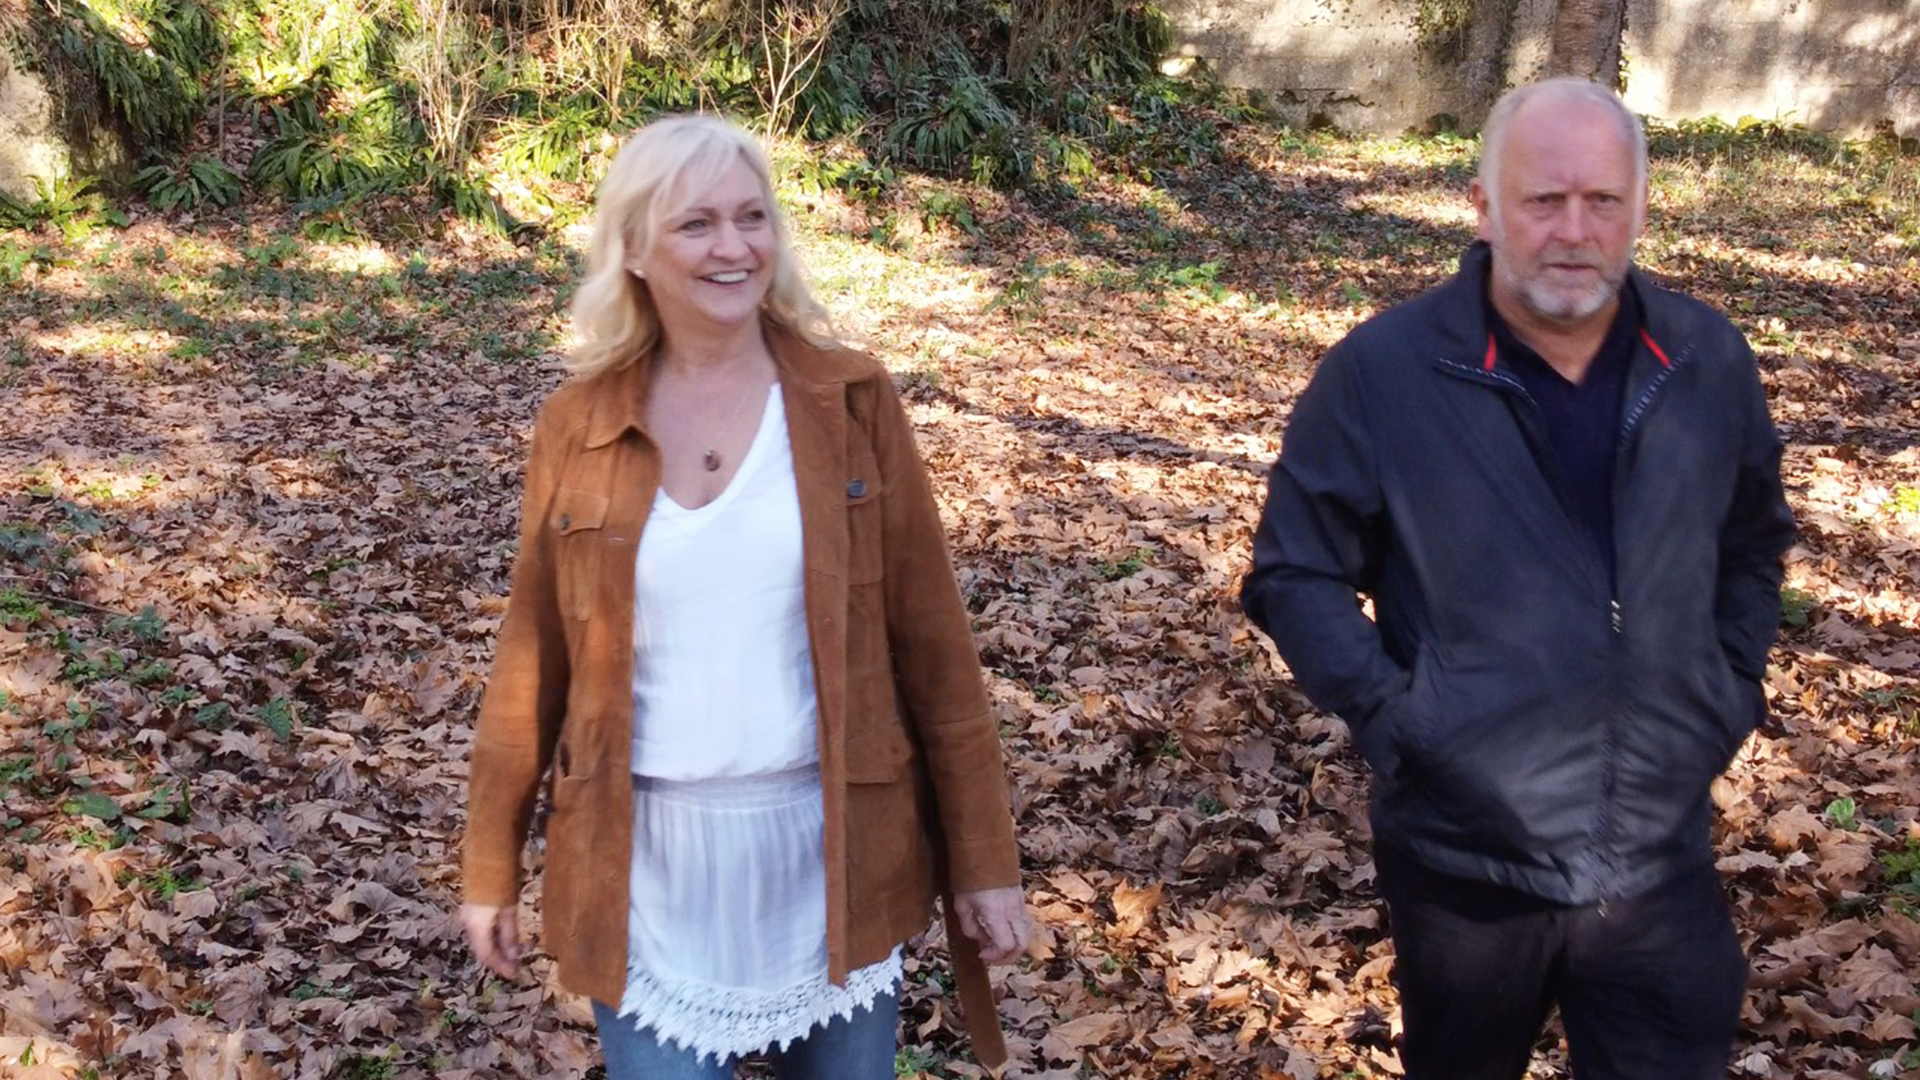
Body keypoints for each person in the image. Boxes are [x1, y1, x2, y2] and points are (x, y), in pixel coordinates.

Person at [1240, 78, 1795, 1079]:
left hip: (1658, 862)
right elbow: (1295, 571)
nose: (1574, 231)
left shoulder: (1704, 360)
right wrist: (1406, 725)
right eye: (1544, 200)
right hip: (1466, 872)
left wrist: (1725, 690)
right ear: (1485, 208)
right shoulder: (1384, 373)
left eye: (1602, 201)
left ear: (1639, 209)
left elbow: (1754, 542)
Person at [459, 113, 1028, 1079]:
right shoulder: (578, 424)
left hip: (833, 861)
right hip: (645, 875)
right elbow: (533, 657)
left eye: (751, 217)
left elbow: (937, 651)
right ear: (633, 250)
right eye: (696, 224)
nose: (734, 246)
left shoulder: (851, 401)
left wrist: (984, 864)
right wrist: (489, 865)